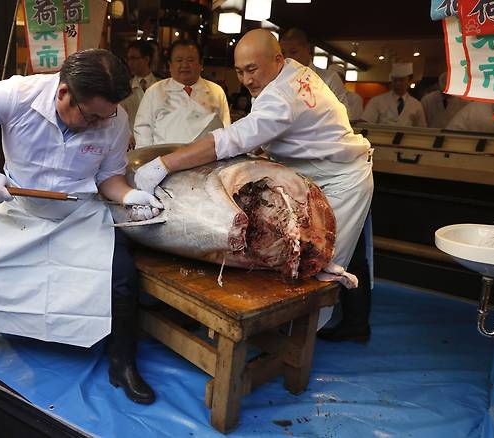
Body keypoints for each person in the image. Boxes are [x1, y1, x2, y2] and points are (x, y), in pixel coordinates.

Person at [0, 49, 163, 405]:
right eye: (92, 116)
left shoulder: (114, 119)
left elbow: (109, 177)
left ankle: (122, 362)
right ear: (63, 92)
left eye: (107, 115)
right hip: (20, 207)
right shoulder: (18, 94)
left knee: (123, 277)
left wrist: (129, 195)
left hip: (78, 212)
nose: (101, 123)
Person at [132, 29, 374, 337]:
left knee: (316, 258)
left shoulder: (282, 97)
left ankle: (299, 339)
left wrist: (163, 164)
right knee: (309, 253)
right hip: (308, 171)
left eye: (252, 69)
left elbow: (229, 138)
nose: (246, 80)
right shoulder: (288, 74)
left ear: (277, 59)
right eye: (239, 71)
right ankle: (300, 328)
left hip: (340, 179)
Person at [133, 39, 230, 148]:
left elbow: (225, 129)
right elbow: (143, 129)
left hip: (206, 159)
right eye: (179, 60)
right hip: (164, 159)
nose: (185, 65)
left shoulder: (216, 91)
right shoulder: (154, 91)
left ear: (201, 63)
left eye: (191, 60)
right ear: (170, 64)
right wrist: (149, 160)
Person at [280, 28, 358, 120]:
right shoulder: (279, 79)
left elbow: (345, 116)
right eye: (283, 53)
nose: (287, 58)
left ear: (307, 49)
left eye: (293, 52)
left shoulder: (329, 78)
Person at [362, 62, 427, 127]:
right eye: (395, 80)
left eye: (401, 80)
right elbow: (366, 122)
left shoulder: (416, 105)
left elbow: (421, 128)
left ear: (409, 81)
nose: (397, 83)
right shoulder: (376, 101)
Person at [120, 40, 160, 133]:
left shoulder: (161, 85)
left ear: (146, 59)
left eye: (133, 58)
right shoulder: (124, 87)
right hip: (131, 142)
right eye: (128, 59)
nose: (130, 63)